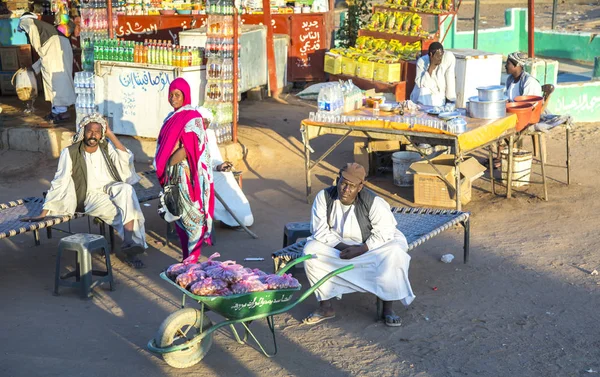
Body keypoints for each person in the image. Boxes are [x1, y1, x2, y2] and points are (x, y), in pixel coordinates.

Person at [21, 113, 147, 268]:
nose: (93, 134)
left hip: (109, 188)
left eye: (97, 131)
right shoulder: (70, 152)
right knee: (125, 209)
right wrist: (44, 212)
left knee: (127, 190)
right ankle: (132, 248)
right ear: (83, 132)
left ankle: (130, 243)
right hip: (88, 195)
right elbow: (60, 181)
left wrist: (111, 134)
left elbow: (125, 157)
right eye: (89, 131)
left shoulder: (106, 146)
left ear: (101, 134)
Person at [302, 163, 415, 327]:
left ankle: (387, 308)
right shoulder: (323, 197)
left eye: (352, 186)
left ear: (360, 187)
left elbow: (385, 232)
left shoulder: (374, 202)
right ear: (337, 180)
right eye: (343, 183)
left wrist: (362, 249)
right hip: (338, 247)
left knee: (395, 252)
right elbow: (319, 231)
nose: (345, 190)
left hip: (370, 247)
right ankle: (325, 307)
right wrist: (342, 248)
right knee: (310, 251)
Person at [154, 78, 215, 264]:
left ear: (185, 96)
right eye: (171, 95)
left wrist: (170, 160)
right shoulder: (171, 117)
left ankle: (193, 259)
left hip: (186, 175)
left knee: (193, 219)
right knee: (179, 216)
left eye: (177, 95)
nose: (173, 98)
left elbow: (192, 147)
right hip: (172, 175)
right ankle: (186, 257)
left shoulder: (191, 118)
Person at [18, 12, 76, 124]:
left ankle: (61, 112)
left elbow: (41, 48)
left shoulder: (25, 21)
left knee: (54, 78)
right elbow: (46, 57)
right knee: (61, 76)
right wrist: (34, 69)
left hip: (54, 44)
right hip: (62, 44)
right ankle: (57, 110)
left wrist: (38, 49)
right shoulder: (42, 26)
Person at [205, 127, 254, 228]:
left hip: (214, 171)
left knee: (228, 180)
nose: (207, 124)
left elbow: (214, 158)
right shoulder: (192, 134)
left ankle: (236, 217)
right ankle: (227, 218)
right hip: (201, 174)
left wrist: (220, 166)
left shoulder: (209, 133)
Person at [410, 42, 456, 107]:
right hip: (421, 95)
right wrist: (431, 66)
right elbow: (421, 84)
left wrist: (451, 100)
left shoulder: (448, 58)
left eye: (441, 55)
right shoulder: (422, 62)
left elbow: (450, 78)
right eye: (438, 56)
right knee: (423, 90)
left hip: (438, 96)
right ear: (431, 55)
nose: (440, 58)